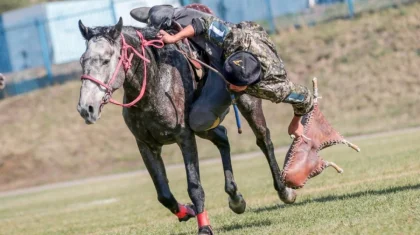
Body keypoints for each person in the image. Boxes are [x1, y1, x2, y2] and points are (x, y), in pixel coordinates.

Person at [132, 5, 313, 137]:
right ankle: (168, 13)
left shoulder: (273, 87)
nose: (227, 82)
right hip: (242, 36)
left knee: (199, 122)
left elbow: (306, 98)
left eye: (231, 84)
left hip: (259, 56)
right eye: (226, 78)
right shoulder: (234, 40)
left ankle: (222, 110)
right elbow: (204, 24)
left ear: (247, 86)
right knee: (174, 18)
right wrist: (174, 38)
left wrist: (296, 122)